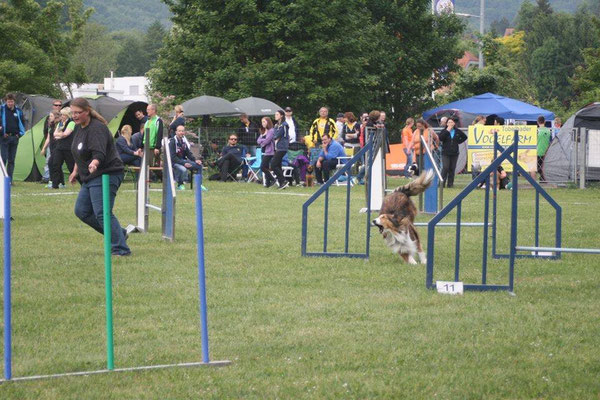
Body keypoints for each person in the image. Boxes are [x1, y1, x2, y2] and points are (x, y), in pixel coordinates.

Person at [68, 97, 130, 256]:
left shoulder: (97, 128)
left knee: (102, 212)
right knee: (82, 211)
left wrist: (94, 163)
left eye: (78, 113)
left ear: (87, 111)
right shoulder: (79, 128)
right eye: (72, 113)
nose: (74, 116)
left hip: (106, 173)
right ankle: (119, 234)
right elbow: (79, 153)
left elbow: (99, 152)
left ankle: (120, 249)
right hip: (90, 176)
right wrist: (75, 171)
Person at [0, 93, 26, 179]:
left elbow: (23, 123)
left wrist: (19, 135)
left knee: (12, 160)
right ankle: (2, 178)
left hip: (15, 137)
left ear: (14, 102)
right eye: (8, 102)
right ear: (6, 101)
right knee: (3, 158)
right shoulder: (2, 109)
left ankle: (9, 179)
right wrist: (2, 131)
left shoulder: (18, 111)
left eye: (11, 102)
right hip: (4, 137)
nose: (10, 103)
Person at [169, 125, 202, 190]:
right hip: (174, 162)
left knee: (199, 166)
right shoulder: (172, 142)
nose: (181, 132)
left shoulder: (184, 141)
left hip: (183, 161)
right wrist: (183, 163)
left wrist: (195, 160)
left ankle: (199, 185)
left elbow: (188, 153)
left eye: (182, 131)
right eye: (179, 131)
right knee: (183, 169)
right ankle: (180, 184)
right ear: (176, 132)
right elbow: (173, 157)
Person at [51, 107, 76, 189]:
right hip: (59, 147)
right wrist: (60, 135)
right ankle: (55, 185)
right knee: (55, 164)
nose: (62, 116)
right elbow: (54, 134)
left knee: (71, 166)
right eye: (61, 115)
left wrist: (60, 135)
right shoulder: (60, 123)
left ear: (68, 115)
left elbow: (66, 134)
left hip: (68, 148)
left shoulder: (71, 123)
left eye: (64, 115)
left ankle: (82, 181)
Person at [438, 118, 467, 188]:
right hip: (445, 152)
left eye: (451, 122)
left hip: (454, 153)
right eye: (449, 122)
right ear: (447, 124)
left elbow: (464, 137)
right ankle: (441, 183)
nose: (450, 124)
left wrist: (458, 142)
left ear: (454, 123)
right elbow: (441, 138)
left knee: (452, 168)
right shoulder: (444, 131)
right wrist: (448, 130)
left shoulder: (457, 131)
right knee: (445, 167)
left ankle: (450, 184)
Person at [40, 100, 63, 183]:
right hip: (51, 144)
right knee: (49, 161)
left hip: (59, 145)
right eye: (56, 105)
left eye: (59, 105)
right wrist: (44, 148)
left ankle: (56, 180)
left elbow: (61, 134)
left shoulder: (62, 122)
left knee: (56, 163)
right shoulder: (50, 123)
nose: (58, 107)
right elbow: (48, 135)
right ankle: (48, 178)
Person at [271, 110, 290, 189]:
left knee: (273, 164)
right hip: (277, 147)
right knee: (278, 165)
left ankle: (283, 181)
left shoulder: (284, 125)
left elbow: (279, 135)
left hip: (282, 147)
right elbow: (274, 135)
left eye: (277, 114)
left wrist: (276, 136)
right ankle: (282, 183)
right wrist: (276, 136)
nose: (275, 116)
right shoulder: (276, 125)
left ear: (281, 115)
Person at [256, 116, 275, 187]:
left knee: (262, 167)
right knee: (266, 167)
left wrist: (262, 142)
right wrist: (263, 140)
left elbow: (267, 140)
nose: (262, 123)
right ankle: (268, 183)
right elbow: (258, 141)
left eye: (264, 122)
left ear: (268, 122)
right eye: (262, 122)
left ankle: (272, 179)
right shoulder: (264, 131)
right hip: (264, 151)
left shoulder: (271, 131)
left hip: (270, 151)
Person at [536, 115, 551, 182]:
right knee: (543, 166)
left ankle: (542, 178)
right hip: (547, 151)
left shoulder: (536, 131)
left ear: (537, 122)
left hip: (537, 151)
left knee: (537, 167)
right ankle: (543, 178)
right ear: (544, 122)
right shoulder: (549, 130)